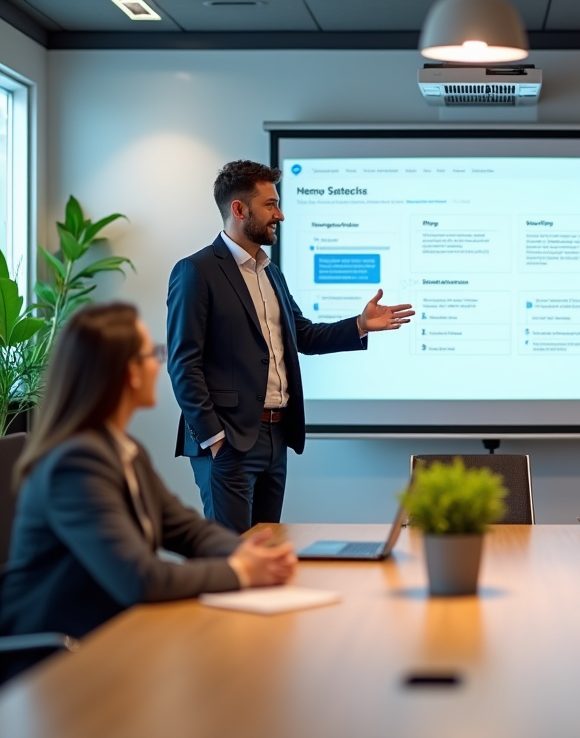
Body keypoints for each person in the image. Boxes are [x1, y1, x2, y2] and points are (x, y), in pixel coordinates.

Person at [0, 303, 297, 650]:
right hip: (49, 658)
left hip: (106, 636)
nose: (160, 364)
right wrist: (242, 573)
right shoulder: (74, 464)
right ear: (130, 373)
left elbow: (188, 530)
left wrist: (243, 552)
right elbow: (139, 579)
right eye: (152, 354)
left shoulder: (124, 450)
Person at [167, 160, 414, 532]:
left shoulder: (271, 272)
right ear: (239, 209)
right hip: (229, 441)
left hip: (275, 437)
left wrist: (360, 325)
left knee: (266, 554)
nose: (279, 214)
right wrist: (215, 439)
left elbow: (303, 335)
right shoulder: (196, 271)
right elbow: (183, 363)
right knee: (233, 558)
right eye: (270, 204)